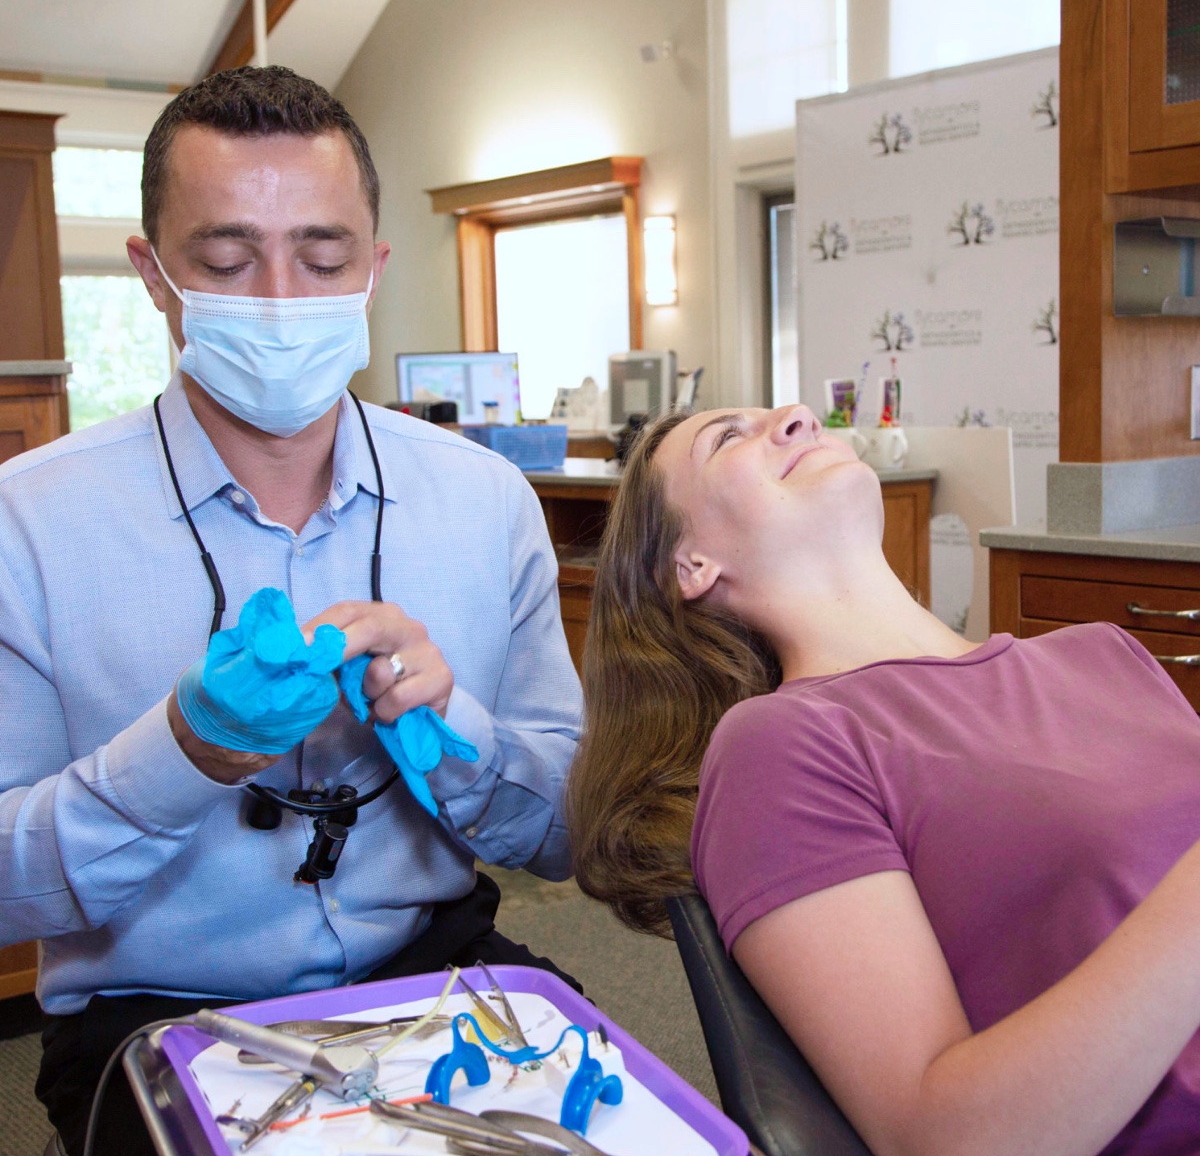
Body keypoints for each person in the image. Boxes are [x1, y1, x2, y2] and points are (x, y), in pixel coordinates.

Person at [0, 66, 582, 1156]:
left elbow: (567, 833)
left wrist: (453, 739)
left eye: (323, 259)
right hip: (157, 1014)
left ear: (373, 268)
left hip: (439, 972)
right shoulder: (24, 526)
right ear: (155, 275)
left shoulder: (485, 500)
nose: (278, 298)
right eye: (226, 260)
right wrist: (179, 755)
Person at [568, 403, 1200, 1156]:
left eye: (783, 413)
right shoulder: (783, 745)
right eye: (730, 437)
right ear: (690, 564)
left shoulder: (1104, 654)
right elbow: (940, 1137)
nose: (799, 417)